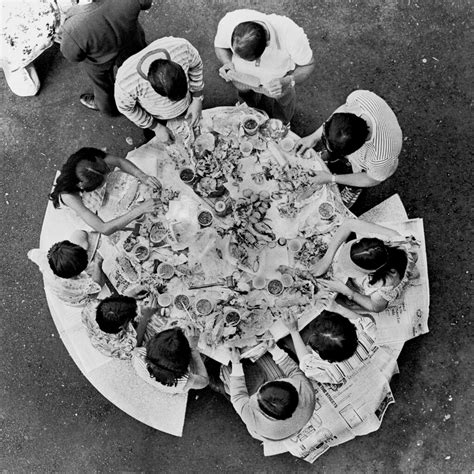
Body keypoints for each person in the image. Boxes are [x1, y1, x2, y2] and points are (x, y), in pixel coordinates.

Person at [295, 90, 403, 208]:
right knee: (334, 146)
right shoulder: (359, 98)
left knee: (360, 175)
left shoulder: (381, 156)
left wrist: (331, 178)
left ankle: (354, 188)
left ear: (354, 151)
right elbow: (342, 111)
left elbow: (372, 179)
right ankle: (331, 156)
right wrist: (314, 137)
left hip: (374, 167)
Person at [214, 9, 314, 124]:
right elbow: (220, 47)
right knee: (246, 101)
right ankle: (250, 116)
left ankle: (281, 124)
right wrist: (227, 62)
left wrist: (289, 80)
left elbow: (308, 65)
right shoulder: (230, 21)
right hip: (241, 78)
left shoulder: (291, 35)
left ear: (267, 43)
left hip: (277, 84)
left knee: (283, 105)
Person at [59, 0, 152, 115]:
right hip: (131, 40)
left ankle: (110, 108)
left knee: (102, 86)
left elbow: (73, 56)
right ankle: (148, 93)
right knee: (141, 70)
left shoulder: (71, 28)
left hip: (99, 59)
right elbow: (146, 3)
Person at [311, 218, 419, 313]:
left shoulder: (384, 284)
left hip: (397, 274)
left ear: (371, 272)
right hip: (399, 257)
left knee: (345, 303)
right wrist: (326, 259)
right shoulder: (390, 238)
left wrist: (346, 291)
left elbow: (376, 307)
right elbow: (349, 224)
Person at [49, 147, 161, 235]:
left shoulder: (87, 156)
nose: (108, 178)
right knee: (118, 221)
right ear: (85, 187)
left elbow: (119, 161)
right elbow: (103, 228)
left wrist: (141, 175)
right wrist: (140, 209)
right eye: (101, 183)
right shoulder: (69, 197)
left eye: (106, 171)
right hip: (82, 208)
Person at [114, 36, 204, 142]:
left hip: (188, 104)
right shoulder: (126, 82)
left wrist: (197, 98)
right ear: (154, 87)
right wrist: (156, 127)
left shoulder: (182, 48)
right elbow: (126, 108)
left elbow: (196, 65)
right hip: (157, 117)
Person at [226, 343, 315, 441]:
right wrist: (274, 349)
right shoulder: (306, 392)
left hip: (268, 432)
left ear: (261, 410)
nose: (264, 383)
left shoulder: (254, 420)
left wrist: (236, 363)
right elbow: (293, 371)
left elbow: (238, 396)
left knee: (226, 370)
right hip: (293, 424)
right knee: (266, 359)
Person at [28, 230, 102, 306]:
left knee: (78, 234)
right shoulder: (78, 284)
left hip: (58, 289)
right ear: (78, 274)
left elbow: (31, 253)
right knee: (99, 278)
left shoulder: (45, 258)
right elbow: (96, 285)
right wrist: (98, 264)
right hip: (78, 301)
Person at [132, 326, 209, 393]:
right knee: (205, 359)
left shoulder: (138, 355)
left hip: (150, 377)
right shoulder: (185, 381)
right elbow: (204, 381)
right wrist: (193, 349)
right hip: (171, 388)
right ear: (186, 362)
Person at [82, 295, 141, 359]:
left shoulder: (92, 306)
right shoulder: (125, 344)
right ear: (122, 326)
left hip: (96, 334)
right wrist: (146, 315)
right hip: (110, 346)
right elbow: (135, 343)